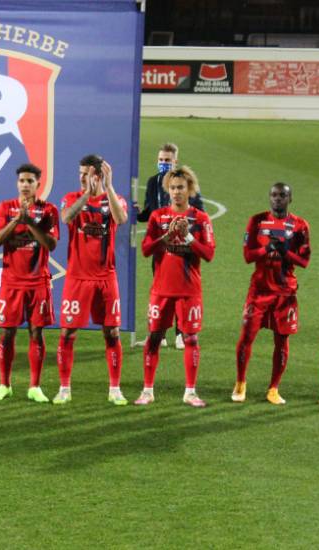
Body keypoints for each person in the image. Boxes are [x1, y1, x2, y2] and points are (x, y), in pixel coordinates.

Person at [136, 166, 215, 407]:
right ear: (167, 190)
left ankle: (190, 391)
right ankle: (147, 390)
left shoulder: (201, 219)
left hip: (189, 291)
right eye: (172, 188)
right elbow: (146, 250)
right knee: (154, 338)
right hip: (161, 290)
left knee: (191, 339)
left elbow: (209, 254)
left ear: (190, 189)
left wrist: (189, 237)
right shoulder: (158, 216)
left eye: (181, 187)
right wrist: (165, 238)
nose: (176, 192)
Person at [55, 155, 128, 405]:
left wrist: (108, 187)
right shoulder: (72, 198)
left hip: (106, 277)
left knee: (112, 332)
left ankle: (115, 388)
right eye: (80, 173)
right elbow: (65, 218)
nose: (81, 177)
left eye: (85, 174)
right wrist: (87, 194)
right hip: (77, 277)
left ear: (96, 175)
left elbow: (121, 219)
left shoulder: (114, 199)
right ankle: (64, 388)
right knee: (67, 332)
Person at [233, 183, 310, 405]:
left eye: (282, 195)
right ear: (269, 198)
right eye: (274, 195)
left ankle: (274, 388)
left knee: (282, 341)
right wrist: (267, 249)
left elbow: (304, 261)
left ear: (290, 198)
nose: (278, 199)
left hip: (285, 293)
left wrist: (286, 252)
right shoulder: (256, 221)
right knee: (247, 336)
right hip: (259, 291)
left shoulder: (300, 225)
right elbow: (248, 256)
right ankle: (240, 383)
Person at [0, 163, 59, 403]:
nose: (26, 185)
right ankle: (4, 384)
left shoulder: (49, 210)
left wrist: (29, 221)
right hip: (11, 282)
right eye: (22, 181)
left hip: (38, 281)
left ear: (38, 184)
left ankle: (35, 386)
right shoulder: (5, 207)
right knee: (7, 333)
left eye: (30, 181)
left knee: (36, 332)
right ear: (17, 183)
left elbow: (50, 244)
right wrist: (15, 221)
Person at [136, 143, 205, 350]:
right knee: (161, 288)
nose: (163, 163)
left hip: (182, 244)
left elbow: (199, 211)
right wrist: (138, 213)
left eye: (167, 160)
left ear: (175, 161)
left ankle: (180, 334)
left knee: (180, 287)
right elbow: (150, 213)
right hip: (160, 244)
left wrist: (186, 231)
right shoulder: (152, 182)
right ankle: (161, 335)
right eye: (161, 160)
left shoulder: (185, 183)